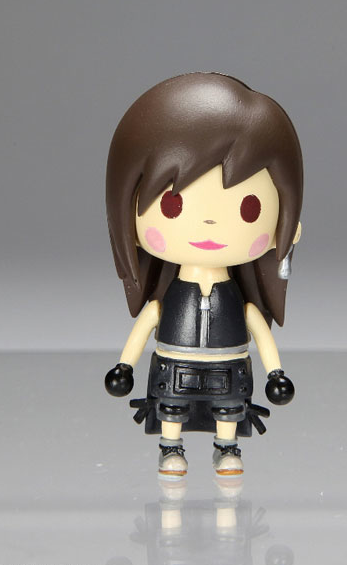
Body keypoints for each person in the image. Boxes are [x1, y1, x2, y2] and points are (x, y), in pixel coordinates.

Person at [104, 72, 303, 477]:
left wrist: (276, 372)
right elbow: (149, 320)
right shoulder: (169, 298)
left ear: (290, 226)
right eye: (173, 205)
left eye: (249, 208)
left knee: (229, 407)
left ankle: (226, 447)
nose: (210, 222)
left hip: (228, 365)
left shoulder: (238, 301)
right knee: (171, 406)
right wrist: (125, 365)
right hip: (175, 362)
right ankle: (170, 447)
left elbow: (257, 327)